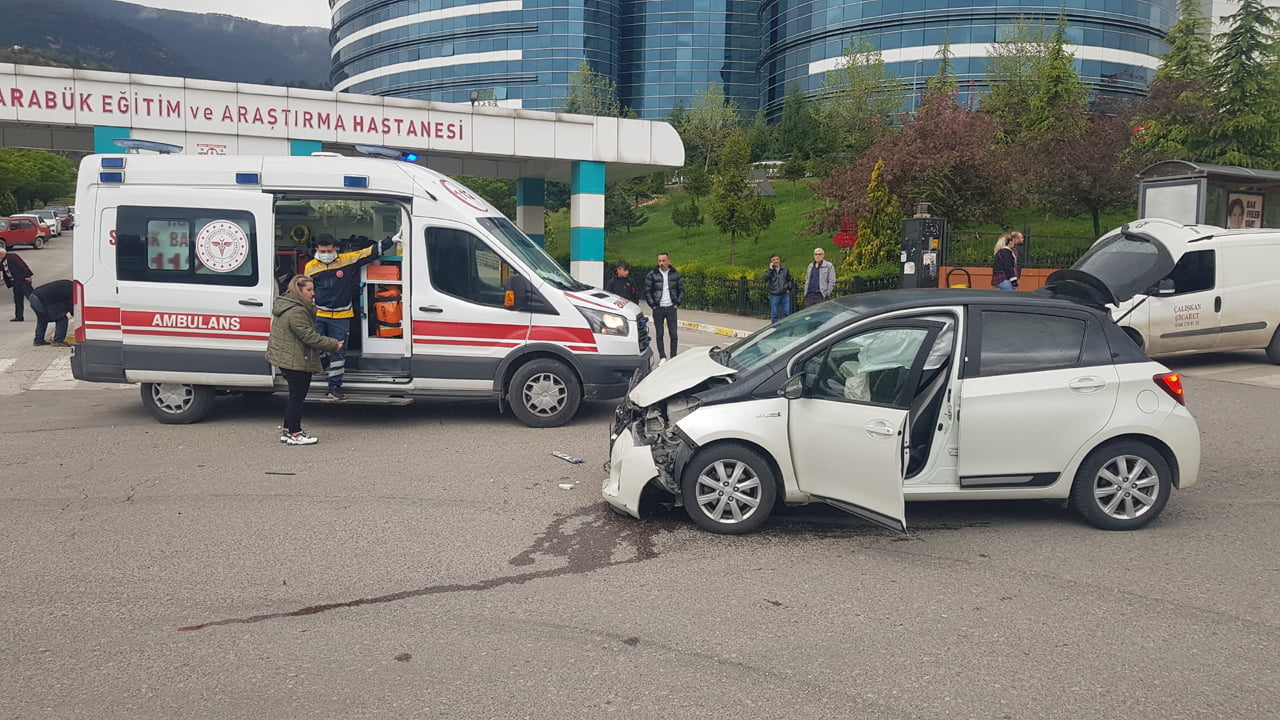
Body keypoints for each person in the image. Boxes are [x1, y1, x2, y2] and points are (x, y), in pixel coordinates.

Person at [304, 232, 395, 400]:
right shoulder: (310, 267)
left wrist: (391, 241)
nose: (326, 255)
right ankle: (309, 378)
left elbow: (368, 253)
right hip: (319, 313)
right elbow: (306, 291)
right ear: (317, 249)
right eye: (322, 252)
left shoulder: (346, 260)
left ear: (335, 249)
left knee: (338, 352)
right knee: (313, 347)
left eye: (329, 251)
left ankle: (334, 386)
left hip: (341, 315)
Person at [266, 275, 343, 446]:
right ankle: (295, 433)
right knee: (297, 398)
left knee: (294, 396)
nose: (313, 293)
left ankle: (287, 430)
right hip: (294, 359)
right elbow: (309, 336)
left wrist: (312, 307)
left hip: (288, 357)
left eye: (313, 289)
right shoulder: (297, 311)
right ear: (298, 290)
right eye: (309, 290)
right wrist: (333, 344)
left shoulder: (292, 305)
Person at [644, 252, 684, 361]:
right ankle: (662, 357)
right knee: (659, 334)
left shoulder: (675, 274)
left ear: (669, 261)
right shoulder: (652, 274)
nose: (661, 263)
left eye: (663, 260)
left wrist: (677, 303)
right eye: (659, 261)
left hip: (671, 307)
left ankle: (673, 356)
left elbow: (681, 290)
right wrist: (653, 305)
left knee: (673, 334)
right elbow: (647, 291)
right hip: (658, 308)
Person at [28, 279, 73, 347]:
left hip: (33, 296)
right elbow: (70, 305)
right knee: (62, 319)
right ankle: (58, 340)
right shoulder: (72, 290)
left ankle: (38, 340)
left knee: (42, 319)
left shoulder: (68, 284)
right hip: (42, 300)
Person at [1, 245, 34, 322]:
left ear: (1, 254)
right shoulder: (3, 261)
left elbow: (23, 265)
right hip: (15, 282)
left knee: (32, 297)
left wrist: (28, 275)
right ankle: (19, 317)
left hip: (23, 280)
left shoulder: (13, 257)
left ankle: (45, 314)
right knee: (18, 299)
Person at [764, 253, 794, 323]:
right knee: (774, 313)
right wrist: (770, 270)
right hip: (774, 294)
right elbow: (765, 279)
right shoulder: (770, 271)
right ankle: (774, 327)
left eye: (777, 259)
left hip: (784, 294)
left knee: (786, 312)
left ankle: (786, 326)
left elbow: (790, 279)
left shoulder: (785, 269)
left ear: (779, 260)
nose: (776, 261)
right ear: (771, 262)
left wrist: (789, 288)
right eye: (774, 260)